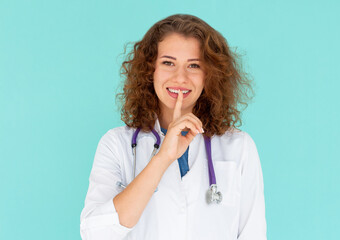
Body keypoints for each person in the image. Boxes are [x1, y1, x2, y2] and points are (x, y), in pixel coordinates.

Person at [80, 14, 267, 240]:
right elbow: (95, 234)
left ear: (210, 75)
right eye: (168, 63)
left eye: (194, 65)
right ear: (151, 70)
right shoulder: (116, 144)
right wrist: (162, 158)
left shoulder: (239, 147)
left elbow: (253, 234)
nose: (181, 77)